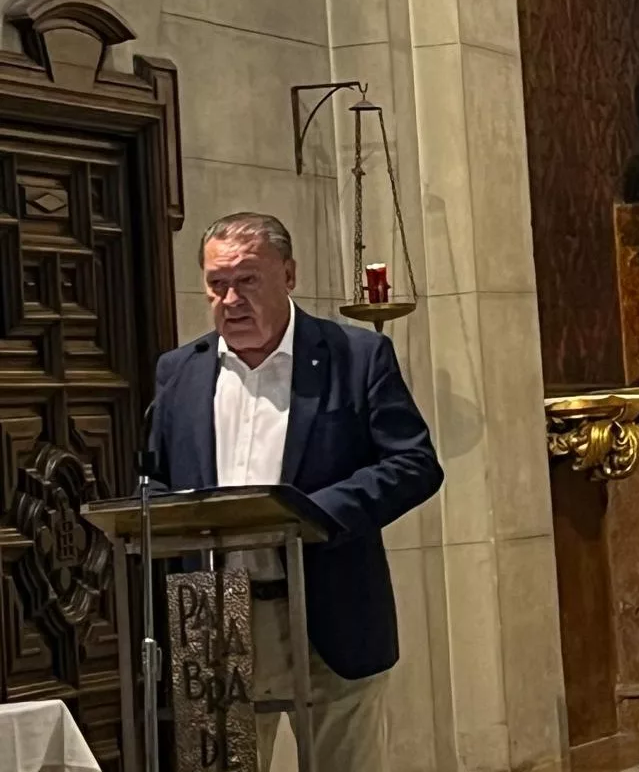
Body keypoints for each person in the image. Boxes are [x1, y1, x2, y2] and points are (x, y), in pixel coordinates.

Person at [149, 212, 443, 770]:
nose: (230, 300)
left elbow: (414, 464)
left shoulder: (355, 357)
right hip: (215, 614)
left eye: (247, 280)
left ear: (288, 274)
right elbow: (158, 480)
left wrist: (310, 514)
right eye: (217, 284)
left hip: (328, 606)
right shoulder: (179, 372)